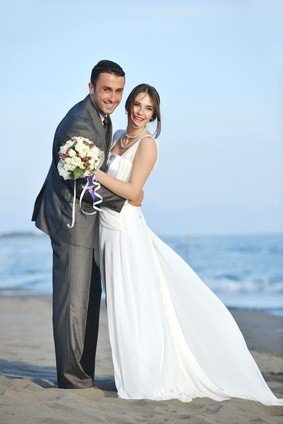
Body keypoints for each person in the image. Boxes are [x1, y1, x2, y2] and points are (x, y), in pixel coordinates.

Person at [94, 83, 283, 405]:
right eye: (137, 104)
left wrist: (93, 173)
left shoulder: (148, 145)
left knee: (135, 305)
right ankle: (134, 369)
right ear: (128, 106)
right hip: (106, 227)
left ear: (155, 115)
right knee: (120, 303)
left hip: (126, 230)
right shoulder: (115, 139)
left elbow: (134, 193)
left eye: (148, 108)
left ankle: (146, 376)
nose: (141, 112)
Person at [31, 60, 143, 389]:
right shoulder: (80, 123)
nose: (112, 97)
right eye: (106, 89)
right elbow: (79, 180)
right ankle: (72, 379)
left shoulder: (103, 119)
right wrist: (123, 200)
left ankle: (83, 373)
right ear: (91, 87)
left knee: (89, 300)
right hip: (70, 221)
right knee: (73, 304)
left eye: (118, 91)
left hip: (89, 222)